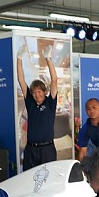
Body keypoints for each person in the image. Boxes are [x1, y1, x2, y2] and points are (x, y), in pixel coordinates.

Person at [17, 43, 58, 171]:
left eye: (39, 92)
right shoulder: (30, 103)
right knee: (29, 178)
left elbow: (54, 80)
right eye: (34, 92)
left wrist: (48, 58)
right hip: (31, 149)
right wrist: (19, 59)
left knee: (48, 179)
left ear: (44, 92)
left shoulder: (50, 102)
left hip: (47, 149)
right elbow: (21, 80)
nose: (36, 95)